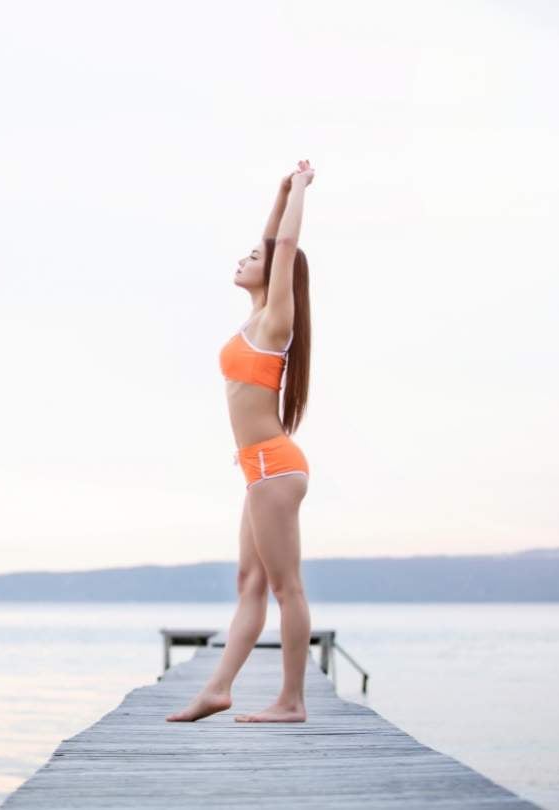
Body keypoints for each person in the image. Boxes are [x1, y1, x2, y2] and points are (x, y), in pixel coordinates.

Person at [166, 159, 315, 723]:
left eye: (254, 258)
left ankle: (291, 701)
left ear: (276, 275)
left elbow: (285, 245)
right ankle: (219, 688)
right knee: (249, 582)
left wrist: (299, 188)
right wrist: (277, 194)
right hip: (258, 468)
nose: (245, 258)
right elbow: (273, 239)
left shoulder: (277, 319)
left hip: (275, 468)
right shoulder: (253, 320)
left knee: (286, 588)